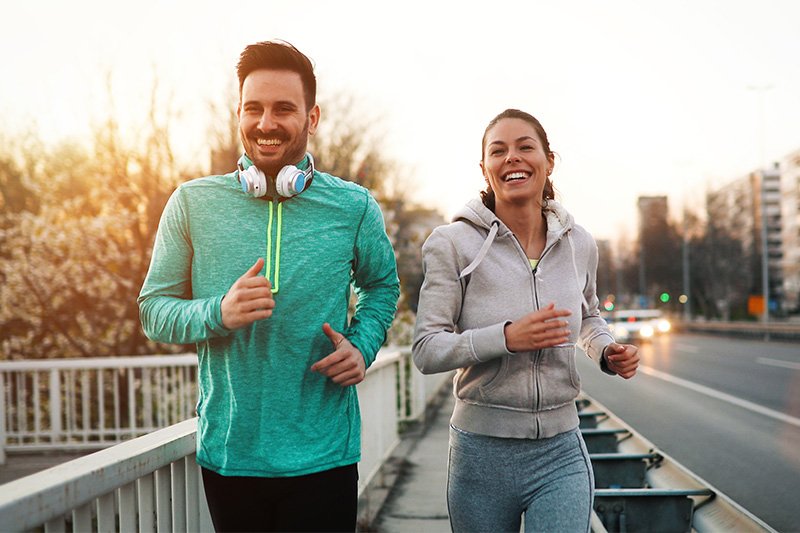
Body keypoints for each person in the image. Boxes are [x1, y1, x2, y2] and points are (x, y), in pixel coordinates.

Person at [138, 40, 399, 532]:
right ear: (238, 113)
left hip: (326, 457)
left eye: (284, 109)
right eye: (253, 108)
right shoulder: (191, 203)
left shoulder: (354, 207)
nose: (266, 123)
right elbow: (154, 309)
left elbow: (382, 287)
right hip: (231, 457)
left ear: (312, 117)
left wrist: (362, 345)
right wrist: (218, 312)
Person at [412, 108, 639, 532]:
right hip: (481, 455)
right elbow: (427, 348)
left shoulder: (580, 243)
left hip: (560, 450)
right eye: (498, 151)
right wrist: (507, 338)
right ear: (485, 169)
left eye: (525, 147)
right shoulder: (451, 244)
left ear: (549, 161)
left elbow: (589, 316)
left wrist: (606, 350)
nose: (512, 158)